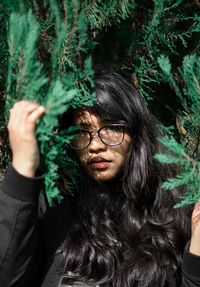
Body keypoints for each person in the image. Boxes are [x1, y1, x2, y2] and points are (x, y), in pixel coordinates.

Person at [0, 71, 200, 287]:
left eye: (112, 128)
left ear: (136, 132)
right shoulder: (53, 205)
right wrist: (23, 166)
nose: (95, 145)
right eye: (82, 131)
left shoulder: (174, 210)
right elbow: (7, 277)